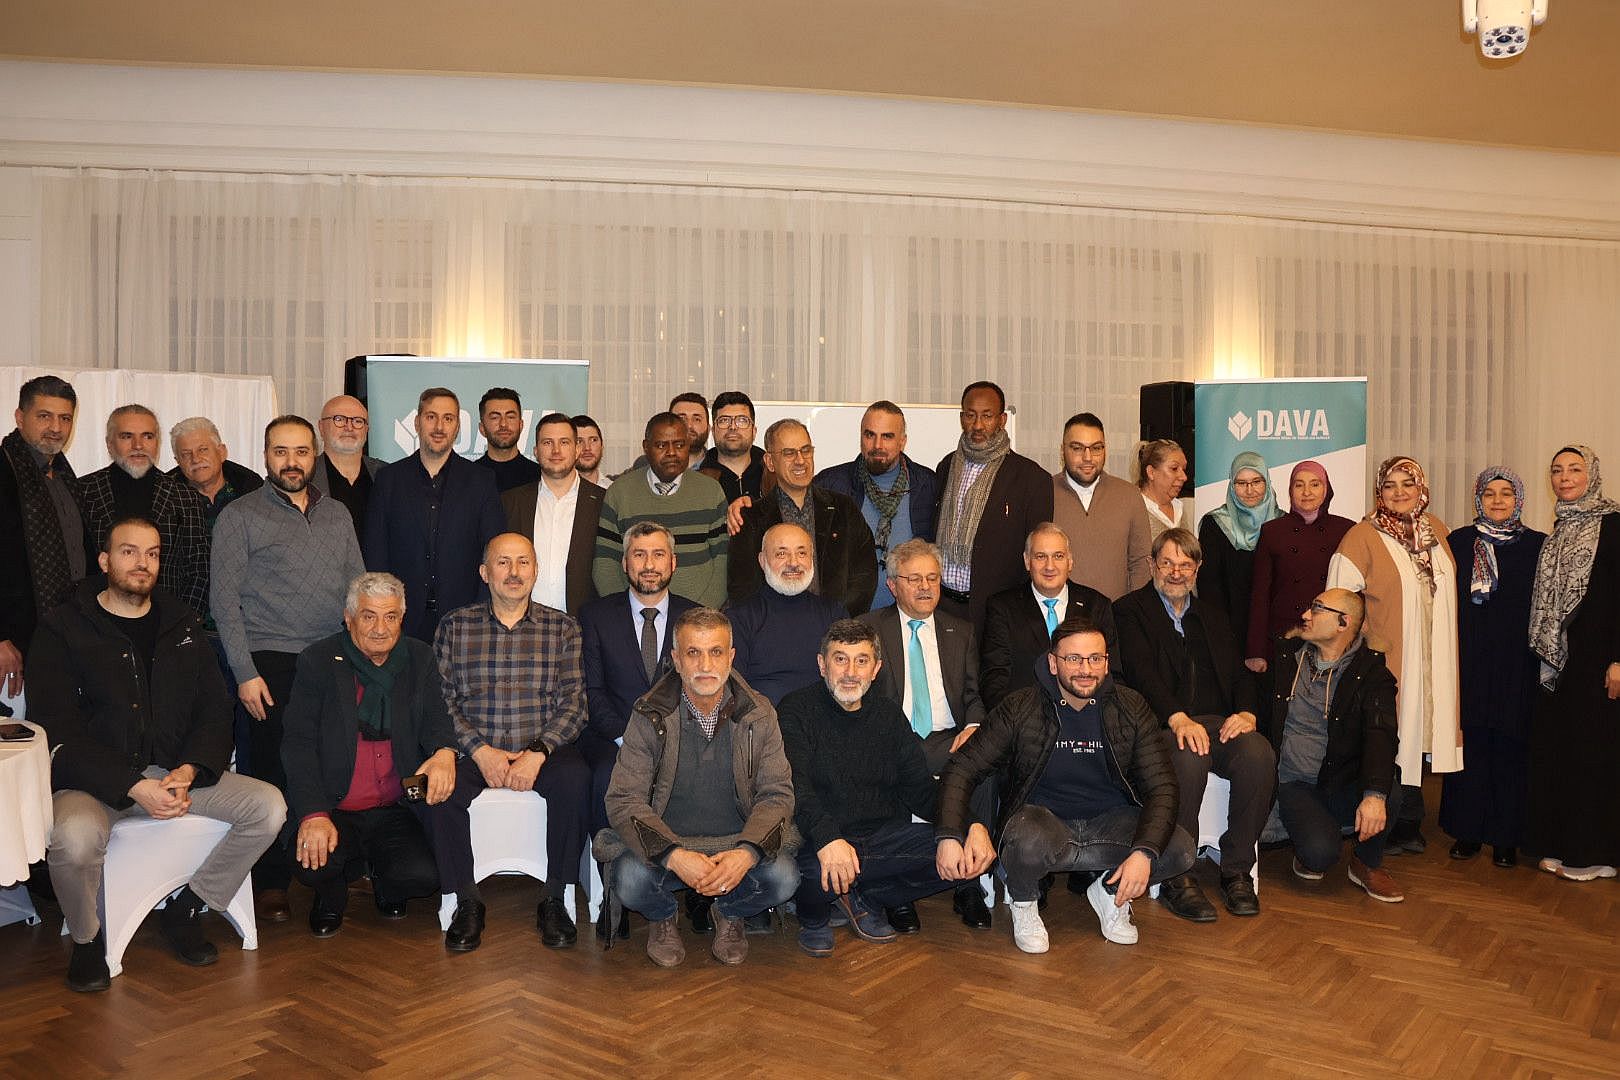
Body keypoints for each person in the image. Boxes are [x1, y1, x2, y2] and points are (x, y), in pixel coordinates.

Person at [32, 517, 286, 991]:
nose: (141, 563)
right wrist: (133, 784)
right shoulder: (62, 628)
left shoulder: (181, 623)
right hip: (96, 782)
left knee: (268, 808)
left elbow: (215, 709)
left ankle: (189, 906)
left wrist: (190, 769)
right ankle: (87, 940)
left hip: (173, 773)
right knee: (73, 838)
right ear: (104, 561)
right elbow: (57, 731)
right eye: (128, 552)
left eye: (151, 554)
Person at [936, 615, 1195, 954]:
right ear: (1053, 663)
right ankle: (1024, 901)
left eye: (1095, 658)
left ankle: (1109, 892)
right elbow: (963, 767)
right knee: (1026, 842)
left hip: (1111, 824)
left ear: (1106, 663)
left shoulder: (1131, 707)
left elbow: (1162, 786)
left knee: (1179, 849)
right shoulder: (1020, 707)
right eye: (1073, 658)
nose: (1086, 669)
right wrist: (951, 834)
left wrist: (1144, 852)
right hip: (1041, 823)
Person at [210, 414, 366, 923]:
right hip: (269, 662)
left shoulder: (337, 514)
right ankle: (271, 880)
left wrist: (362, 658)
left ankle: (330, 873)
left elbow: (358, 588)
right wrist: (244, 672)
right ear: (265, 456)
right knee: (271, 771)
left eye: (301, 451)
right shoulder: (239, 516)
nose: (291, 461)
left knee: (334, 765)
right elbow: (224, 602)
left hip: (332, 658)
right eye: (281, 451)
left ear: (313, 456)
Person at [281, 572, 476, 948]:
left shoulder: (418, 657)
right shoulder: (318, 661)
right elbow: (298, 744)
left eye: (390, 616)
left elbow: (437, 718)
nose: (380, 628)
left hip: (394, 806)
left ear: (402, 618)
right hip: (335, 805)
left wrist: (443, 753)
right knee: (314, 863)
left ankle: (387, 883)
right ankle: (331, 895)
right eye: (368, 616)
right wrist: (313, 814)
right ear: (348, 618)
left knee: (424, 876)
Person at [601, 607, 800, 967]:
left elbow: (777, 794)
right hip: (669, 845)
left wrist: (746, 854)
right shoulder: (649, 714)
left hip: (735, 843)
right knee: (628, 879)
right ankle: (663, 916)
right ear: (676, 659)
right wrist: (675, 855)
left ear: (731, 657)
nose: (705, 665)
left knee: (784, 878)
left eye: (716, 652)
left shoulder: (759, 714)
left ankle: (728, 911)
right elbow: (623, 799)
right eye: (693, 652)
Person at [778, 620, 982, 957]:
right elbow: (795, 787)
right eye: (840, 659)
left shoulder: (888, 715)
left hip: (882, 840)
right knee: (810, 875)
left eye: (861, 661)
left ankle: (863, 897)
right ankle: (814, 919)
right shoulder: (795, 709)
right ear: (822, 664)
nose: (850, 672)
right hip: (821, 839)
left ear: (876, 669)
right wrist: (829, 838)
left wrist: (969, 825)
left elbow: (921, 789)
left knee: (964, 854)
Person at [433, 533, 594, 948]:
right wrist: (479, 751)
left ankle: (555, 897)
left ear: (536, 572)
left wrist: (537, 753)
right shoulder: (455, 626)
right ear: (484, 573)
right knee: (440, 788)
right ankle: (466, 900)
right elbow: (440, 701)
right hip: (474, 751)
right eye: (503, 563)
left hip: (541, 750)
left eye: (523, 562)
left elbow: (575, 705)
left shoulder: (563, 628)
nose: (514, 572)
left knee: (576, 779)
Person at [1114, 527, 1274, 920]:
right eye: (1167, 563)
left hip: (1216, 724)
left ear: (1197, 569)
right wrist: (1177, 717)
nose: (1175, 572)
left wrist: (1247, 713)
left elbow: (1240, 674)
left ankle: (1236, 869)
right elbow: (1140, 672)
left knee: (1258, 753)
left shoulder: (1213, 616)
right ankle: (1176, 873)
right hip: (1162, 726)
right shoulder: (1129, 611)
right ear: (1152, 565)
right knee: (1189, 755)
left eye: (1185, 565)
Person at [857, 538, 994, 930]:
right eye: (914, 579)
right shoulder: (870, 628)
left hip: (947, 737)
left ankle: (969, 884)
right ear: (892, 585)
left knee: (983, 768)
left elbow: (973, 696)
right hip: (892, 738)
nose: (925, 587)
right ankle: (899, 894)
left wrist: (973, 727)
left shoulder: (960, 630)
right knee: (891, 770)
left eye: (932, 578)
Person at [1328, 456, 1459, 854]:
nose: (1399, 492)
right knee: (1392, 732)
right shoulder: (1361, 536)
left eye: (1408, 483)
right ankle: (1388, 820)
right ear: (1379, 491)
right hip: (1387, 659)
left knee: (1421, 730)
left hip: (1434, 656)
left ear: (1422, 488)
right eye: (1390, 485)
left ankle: (1409, 819)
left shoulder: (1436, 530)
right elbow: (1339, 603)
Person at [579, 522, 699, 939]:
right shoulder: (595, 616)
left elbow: (700, 689)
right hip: (612, 737)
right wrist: (626, 739)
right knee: (603, 777)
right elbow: (592, 690)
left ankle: (694, 890)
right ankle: (612, 890)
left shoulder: (695, 616)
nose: (649, 565)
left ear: (673, 563)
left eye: (658, 554)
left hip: (678, 737)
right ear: (625, 563)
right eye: (639, 555)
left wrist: (668, 741)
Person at [1267, 588, 1404, 902]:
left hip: (1340, 776)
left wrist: (1374, 796)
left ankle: (1366, 862)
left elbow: (1381, 734)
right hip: (1294, 781)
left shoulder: (1372, 673)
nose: (1305, 615)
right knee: (1319, 854)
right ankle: (1312, 837)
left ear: (1344, 622)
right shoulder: (1286, 657)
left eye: (1317, 609)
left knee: (1389, 792)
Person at [1439, 468, 1545, 868]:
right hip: (1468, 662)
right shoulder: (1459, 542)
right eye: (1489, 494)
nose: (1497, 501)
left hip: (1517, 664)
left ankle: (1505, 838)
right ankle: (1466, 831)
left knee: (1511, 747)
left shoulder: (1537, 545)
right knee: (1471, 746)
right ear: (1478, 499)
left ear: (1518, 500)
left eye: (1506, 494)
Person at [1526, 446, 1620, 882]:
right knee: (1563, 754)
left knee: (1594, 756)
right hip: (1562, 663)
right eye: (1557, 470)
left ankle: (1595, 854)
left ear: (1592, 475)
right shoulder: (1560, 528)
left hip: (1600, 662)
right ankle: (1562, 844)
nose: (1565, 477)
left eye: (1575, 469)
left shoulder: (1613, 525)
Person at [363, 387, 506, 643]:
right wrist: (384, 611)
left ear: (457, 427)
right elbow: (376, 552)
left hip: (465, 619)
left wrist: (481, 611)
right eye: (431, 417)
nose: (439, 427)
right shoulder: (388, 480)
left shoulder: (481, 481)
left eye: (448, 418)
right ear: (417, 423)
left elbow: (494, 550)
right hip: (401, 621)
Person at [932, 381, 1053, 630]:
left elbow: (1036, 553)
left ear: (1002, 420)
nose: (977, 425)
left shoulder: (1031, 478)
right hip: (942, 606)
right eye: (970, 415)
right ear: (961, 418)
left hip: (997, 612)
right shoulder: (946, 467)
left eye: (987, 416)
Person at [727, 418, 877, 616]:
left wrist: (839, 620)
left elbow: (865, 575)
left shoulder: (843, 508)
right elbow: (743, 589)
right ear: (770, 462)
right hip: (773, 628)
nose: (800, 460)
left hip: (836, 626)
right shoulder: (750, 518)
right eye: (789, 453)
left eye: (806, 450)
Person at [0, 374, 88, 696]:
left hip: (67, 637)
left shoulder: (66, 476)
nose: (55, 427)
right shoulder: (5, 470)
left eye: (65, 418)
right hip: (13, 645)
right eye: (44, 416)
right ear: (19, 417)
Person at [79, 404, 211, 617]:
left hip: (167, 621)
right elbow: (75, 566)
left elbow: (199, 571)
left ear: (157, 443)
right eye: (127, 436)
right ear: (109, 444)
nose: (138, 445)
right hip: (94, 621)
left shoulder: (186, 497)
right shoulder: (82, 492)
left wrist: (181, 623)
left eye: (147, 436)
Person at [593, 412, 730, 608]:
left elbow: (723, 562)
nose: (671, 452)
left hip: (697, 615)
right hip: (634, 615)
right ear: (646, 447)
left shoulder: (710, 491)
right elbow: (605, 564)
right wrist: (627, 612)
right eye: (661, 445)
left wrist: (699, 615)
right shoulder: (619, 493)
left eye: (679, 445)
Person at [814, 401, 938, 610]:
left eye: (887, 436)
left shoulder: (927, 485)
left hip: (906, 617)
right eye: (870, 435)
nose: (877, 445)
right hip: (847, 616)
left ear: (902, 441)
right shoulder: (830, 484)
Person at [980, 523, 1118, 710]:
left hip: (1087, 716)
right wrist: (1019, 720)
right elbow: (994, 680)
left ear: (1070, 562)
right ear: (1027, 561)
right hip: (1024, 718)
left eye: (1058, 556)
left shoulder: (1097, 606)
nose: (1049, 566)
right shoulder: (1002, 608)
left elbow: (1112, 675)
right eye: (1040, 556)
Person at [1245, 461, 1355, 675]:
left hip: (1331, 637)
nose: (1307, 492)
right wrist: (1256, 650)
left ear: (1326, 489)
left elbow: (1353, 595)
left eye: (1315, 484)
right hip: (1285, 636)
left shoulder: (1346, 530)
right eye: (1299, 485)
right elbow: (1260, 595)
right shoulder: (1272, 531)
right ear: (1290, 490)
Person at [728, 523, 846, 705]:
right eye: (781, 554)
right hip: (767, 720)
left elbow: (848, 677)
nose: (793, 563)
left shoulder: (834, 614)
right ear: (762, 561)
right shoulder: (739, 619)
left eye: (802, 553)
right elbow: (735, 692)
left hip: (825, 718)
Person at [499, 413, 604, 616]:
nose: (556, 450)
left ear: (577, 450)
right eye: (547, 443)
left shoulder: (603, 502)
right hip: (523, 624)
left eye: (564, 442)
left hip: (585, 624)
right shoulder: (510, 502)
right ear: (536, 451)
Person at [1049, 412, 1151, 601]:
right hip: (1056, 615)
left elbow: (1141, 563)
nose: (1088, 457)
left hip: (1116, 614)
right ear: (1062, 450)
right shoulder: (1044, 493)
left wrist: (1133, 611)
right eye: (1077, 448)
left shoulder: (1129, 495)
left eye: (1096, 448)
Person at [1197, 450, 1280, 654]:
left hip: (1274, 635)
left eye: (1257, 481)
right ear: (1231, 486)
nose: (1249, 490)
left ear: (1267, 482)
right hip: (1227, 634)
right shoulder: (1215, 523)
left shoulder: (1282, 524)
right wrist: (1222, 636)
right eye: (1241, 483)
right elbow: (1209, 587)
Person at [311, 394, 383, 549]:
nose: (349, 427)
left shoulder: (387, 476)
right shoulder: (305, 478)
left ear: (367, 429)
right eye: (339, 419)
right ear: (321, 427)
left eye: (358, 421)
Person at [168, 417, 263, 525]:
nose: (195, 459)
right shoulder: (164, 497)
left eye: (203, 450)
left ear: (222, 452)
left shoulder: (252, 489)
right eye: (186, 454)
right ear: (178, 461)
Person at [697, 390, 766, 504]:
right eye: (724, 420)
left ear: (754, 431)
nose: (733, 427)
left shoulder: (773, 475)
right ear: (713, 431)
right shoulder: (698, 480)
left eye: (742, 420)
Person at [473, 387, 541, 493]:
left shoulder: (540, 476)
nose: (503, 424)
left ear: (521, 425)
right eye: (495, 417)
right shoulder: (469, 477)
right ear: (482, 428)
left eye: (510, 417)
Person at [1136, 438, 1192, 546]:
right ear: (1151, 472)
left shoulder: (1179, 508)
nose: (1184, 477)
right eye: (1174, 468)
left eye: (1184, 469)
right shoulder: (1134, 510)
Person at [670, 392, 711, 469]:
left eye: (697, 419)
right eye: (681, 419)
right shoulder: (648, 465)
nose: (689, 425)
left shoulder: (721, 470)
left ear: (708, 429)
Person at [572, 414, 605, 486]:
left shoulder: (614, 489)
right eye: (579, 441)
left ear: (602, 445)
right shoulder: (557, 490)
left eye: (593, 440)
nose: (587, 448)